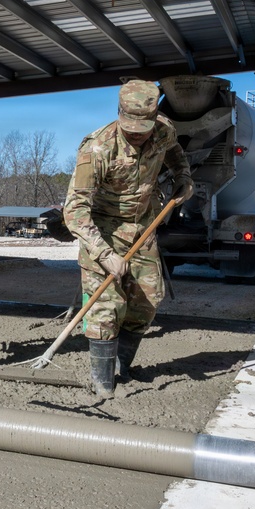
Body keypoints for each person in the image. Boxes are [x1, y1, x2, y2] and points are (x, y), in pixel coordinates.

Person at [62, 80, 193, 396]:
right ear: (119, 113)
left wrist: (183, 177)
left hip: (143, 228)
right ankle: (103, 382)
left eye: (142, 127)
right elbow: (75, 211)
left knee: (145, 304)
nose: (136, 133)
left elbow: (174, 151)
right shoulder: (97, 148)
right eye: (129, 125)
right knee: (105, 309)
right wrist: (104, 254)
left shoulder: (163, 130)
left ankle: (123, 367)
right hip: (103, 232)